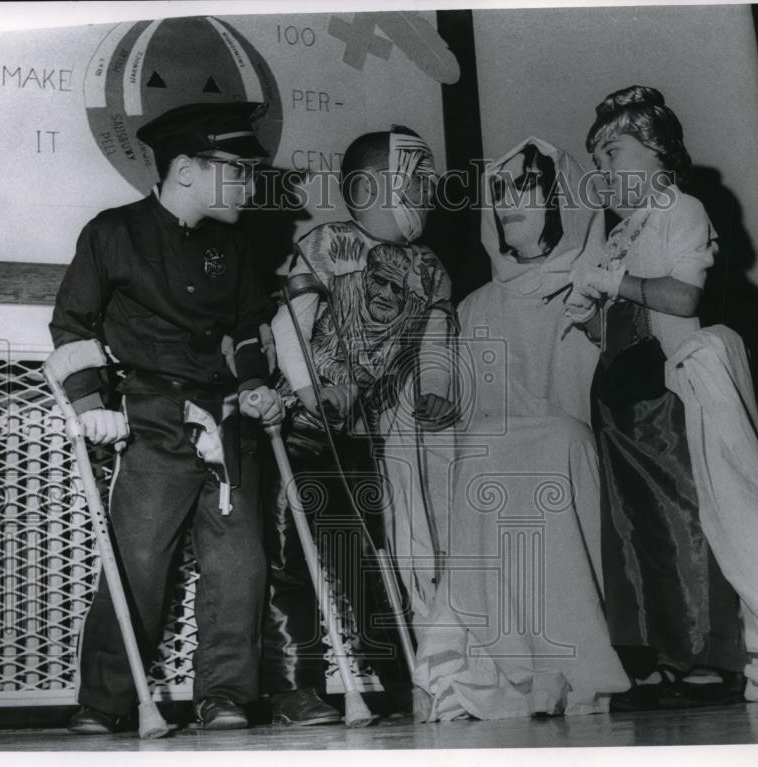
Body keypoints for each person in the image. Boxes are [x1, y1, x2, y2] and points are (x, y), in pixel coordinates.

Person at [565, 85, 758, 708]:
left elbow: (683, 299)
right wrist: (585, 308)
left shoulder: (683, 208)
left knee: (684, 520)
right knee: (636, 531)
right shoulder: (619, 229)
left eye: (614, 152)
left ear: (656, 153)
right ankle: (668, 661)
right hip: (619, 395)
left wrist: (613, 279)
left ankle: (712, 660)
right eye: (598, 160)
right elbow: (610, 325)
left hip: (664, 393)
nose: (605, 170)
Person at [49, 102, 283, 733]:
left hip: (227, 418)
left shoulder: (235, 245)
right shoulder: (112, 233)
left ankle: (227, 695)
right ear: (185, 170)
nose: (250, 185)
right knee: (139, 561)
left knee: (240, 563)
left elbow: (246, 329)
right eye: (238, 170)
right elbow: (72, 325)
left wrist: (258, 383)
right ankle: (105, 701)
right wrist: (92, 404)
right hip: (150, 415)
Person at [411, 138, 631, 721]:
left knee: (549, 442)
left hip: (579, 446)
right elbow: (453, 399)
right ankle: (522, 664)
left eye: (526, 188)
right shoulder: (475, 305)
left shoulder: (598, 288)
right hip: (495, 451)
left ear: (563, 200)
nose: (507, 203)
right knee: (482, 453)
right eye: (500, 192)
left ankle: (572, 662)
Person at [263, 125, 456, 724]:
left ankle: (399, 680)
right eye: (416, 180)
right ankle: (295, 687)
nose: (428, 191)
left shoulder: (430, 268)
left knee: (364, 557)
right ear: (372, 187)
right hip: (296, 428)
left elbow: (434, 340)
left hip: (360, 436)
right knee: (292, 558)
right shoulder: (327, 244)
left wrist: (436, 389)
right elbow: (292, 318)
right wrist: (306, 391)